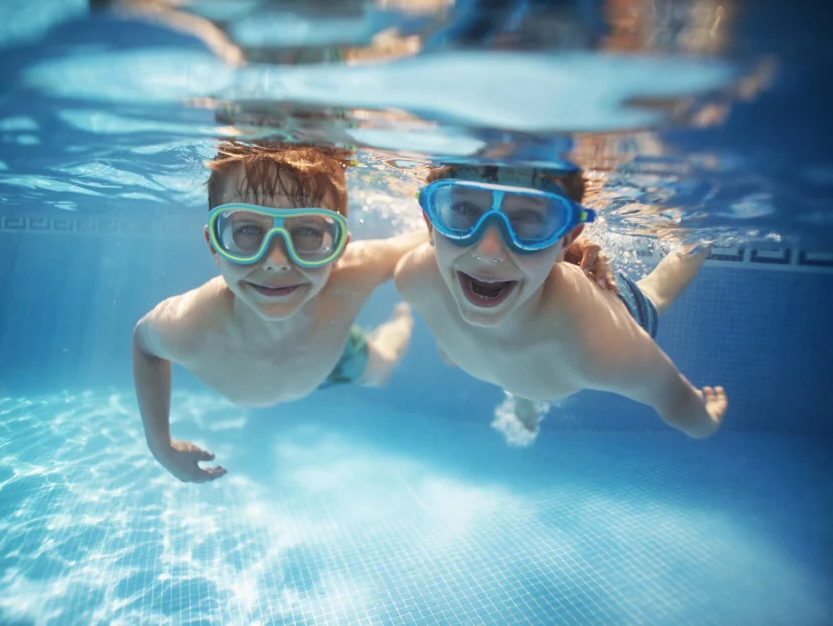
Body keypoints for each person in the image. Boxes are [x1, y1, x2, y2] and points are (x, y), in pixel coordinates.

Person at [133, 142, 424, 483]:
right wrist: (160, 445)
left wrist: (446, 313)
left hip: (335, 352)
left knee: (382, 369)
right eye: (247, 231)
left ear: (338, 249)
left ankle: (401, 319)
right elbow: (144, 343)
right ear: (214, 244)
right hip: (316, 354)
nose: (276, 261)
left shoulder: (354, 273)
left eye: (307, 233)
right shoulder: (188, 325)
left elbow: (436, 239)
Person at [394, 164, 727, 441]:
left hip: (609, 310)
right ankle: (524, 397)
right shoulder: (416, 279)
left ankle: (698, 240)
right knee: (520, 372)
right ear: (429, 222)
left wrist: (704, 420)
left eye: (528, 218)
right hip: (527, 365)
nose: (488, 251)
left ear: (566, 239)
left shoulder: (596, 341)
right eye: (465, 209)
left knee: (657, 293)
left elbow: (676, 402)